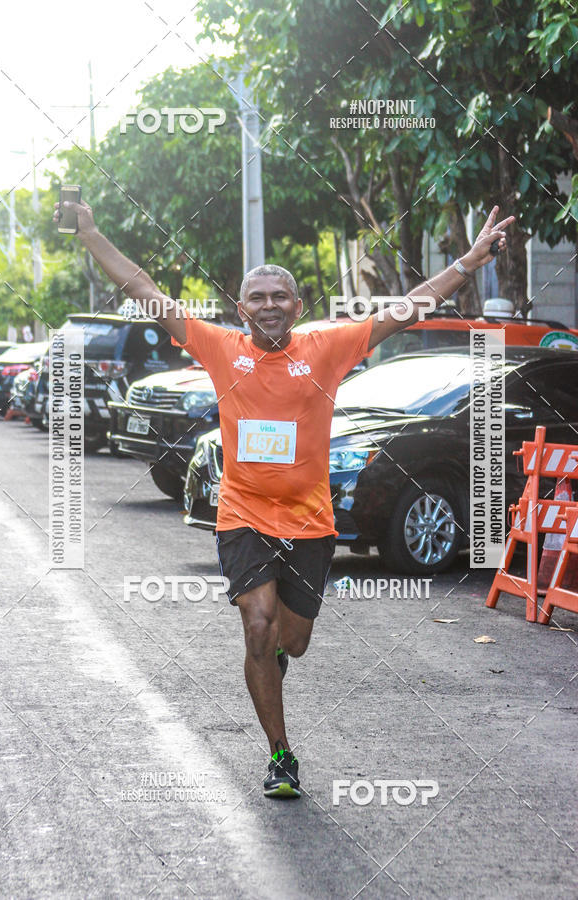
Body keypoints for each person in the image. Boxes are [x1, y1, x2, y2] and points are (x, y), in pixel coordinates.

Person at [53, 198, 513, 798]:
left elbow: (403, 310)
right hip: (242, 517)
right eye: (257, 297)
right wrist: (90, 234)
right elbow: (145, 290)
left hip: (309, 524)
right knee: (258, 626)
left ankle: (276, 661)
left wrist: (468, 263)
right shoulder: (220, 347)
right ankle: (280, 754)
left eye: (279, 297)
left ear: (297, 306)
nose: (268, 305)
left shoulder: (326, 348)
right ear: (241, 307)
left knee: (291, 640)